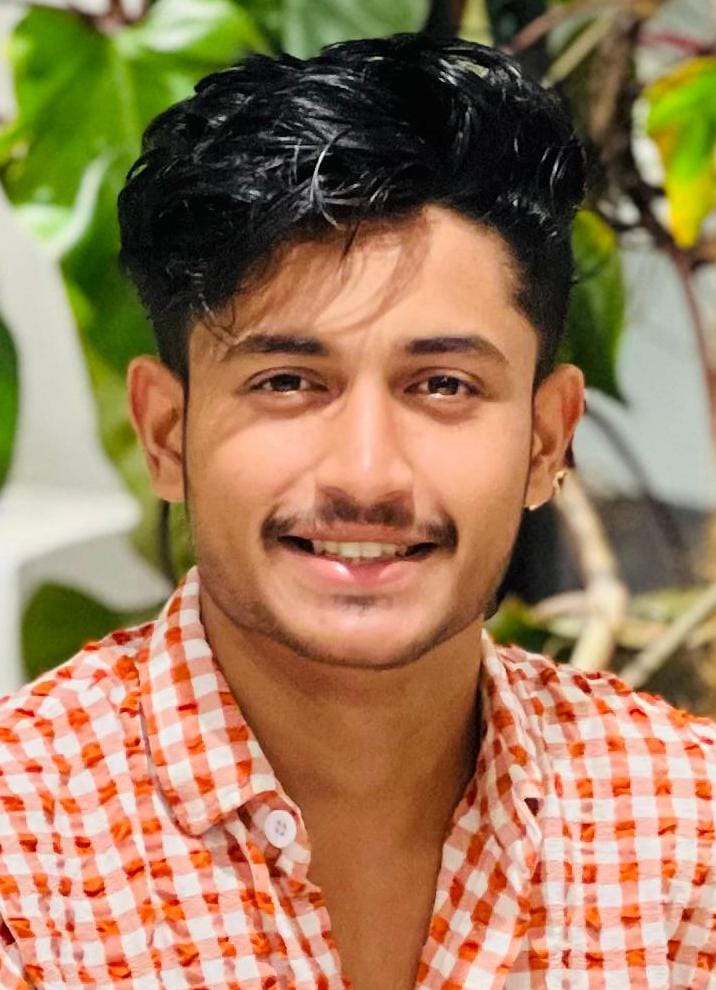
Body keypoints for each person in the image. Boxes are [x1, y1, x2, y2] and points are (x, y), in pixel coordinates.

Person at [0, 32, 714, 990]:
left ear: (548, 440)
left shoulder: (684, 829)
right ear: (166, 434)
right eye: (290, 380)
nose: (369, 472)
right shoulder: (26, 854)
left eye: (445, 385)